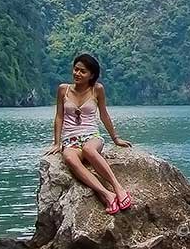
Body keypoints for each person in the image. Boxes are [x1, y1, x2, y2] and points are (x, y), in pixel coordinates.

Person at [44, 53, 134, 215]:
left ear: (91, 75)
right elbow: (59, 116)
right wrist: (57, 143)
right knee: (70, 158)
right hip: (70, 139)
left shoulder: (97, 89)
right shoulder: (63, 89)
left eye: (82, 71)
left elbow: (104, 115)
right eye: (76, 69)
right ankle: (107, 194)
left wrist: (116, 138)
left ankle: (118, 188)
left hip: (91, 136)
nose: (77, 73)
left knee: (89, 150)